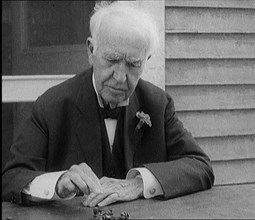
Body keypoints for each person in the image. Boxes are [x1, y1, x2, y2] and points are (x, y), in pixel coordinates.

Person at [2, 2, 214, 207]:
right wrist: (58, 183)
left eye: (133, 64)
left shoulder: (158, 104)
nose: (120, 77)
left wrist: (139, 184)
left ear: (146, 60)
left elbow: (200, 166)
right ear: (91, 51)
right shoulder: (52, 105)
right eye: (111, 60)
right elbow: (12, 178)